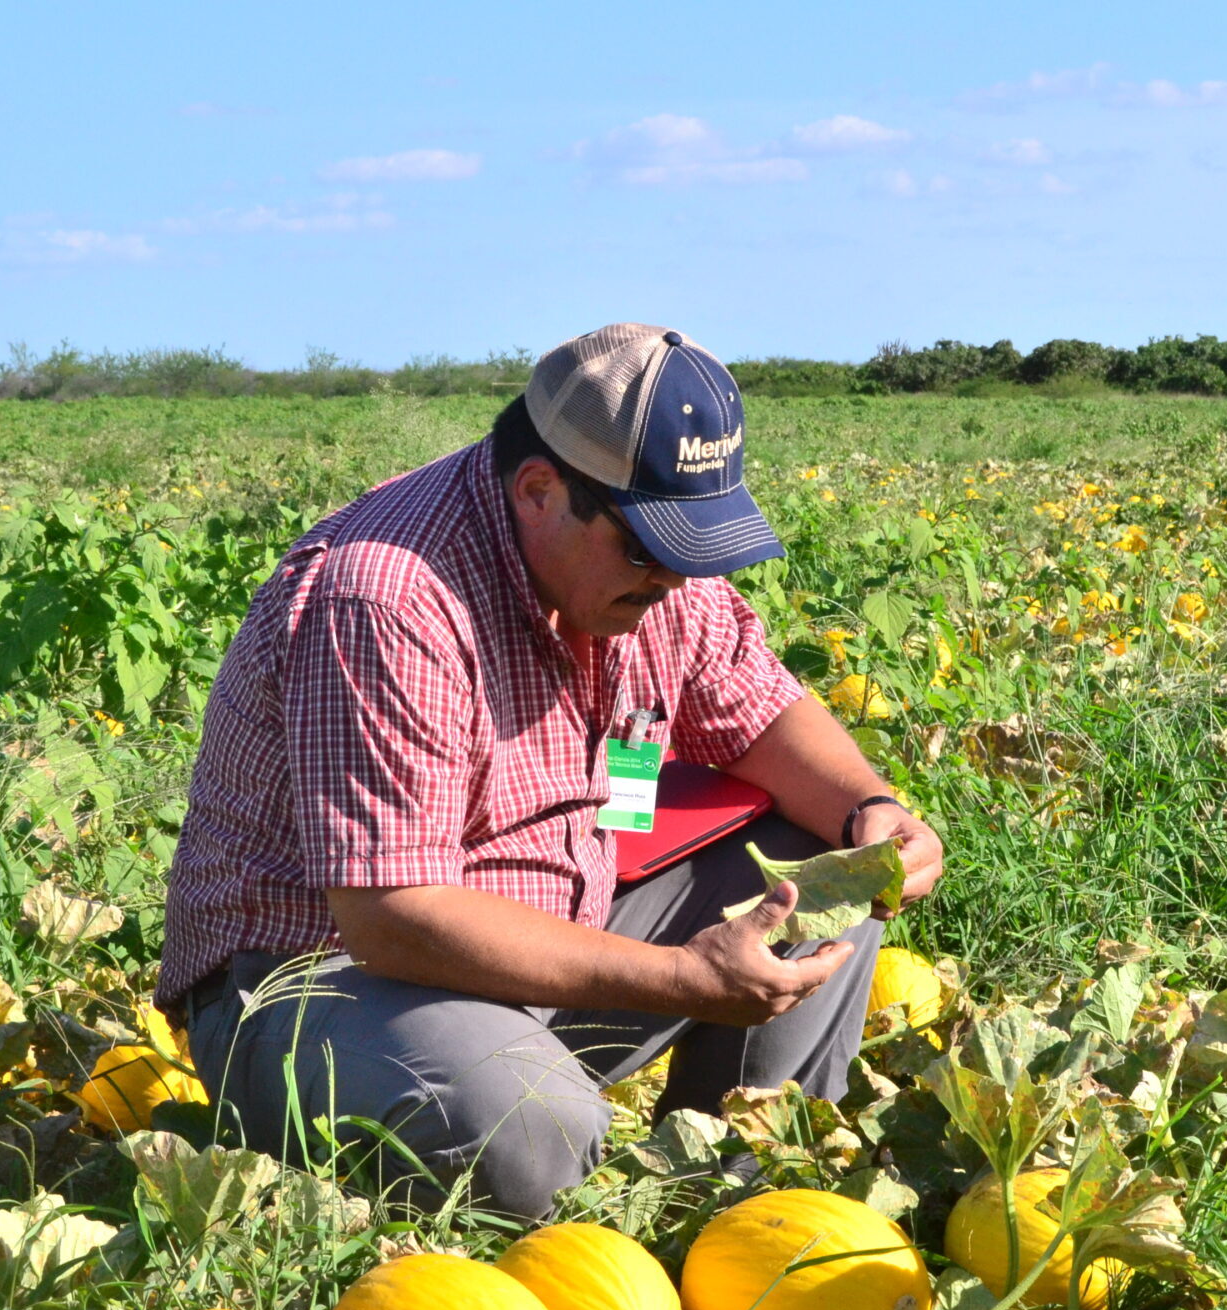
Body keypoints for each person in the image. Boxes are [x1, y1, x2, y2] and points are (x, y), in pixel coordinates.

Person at [156, 322, 944, 1221]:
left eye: (696, 553)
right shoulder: (389, 597)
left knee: (831, 878)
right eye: (652, 550)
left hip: (542, 945)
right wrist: (680, 979)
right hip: (319, 989)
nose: (675, 582)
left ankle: (733, 1200)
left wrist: (874, 813)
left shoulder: (646, 576)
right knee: (533, 1123)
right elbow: (390, 919)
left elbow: (760, 709)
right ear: (540, 489)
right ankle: (578, 1227)